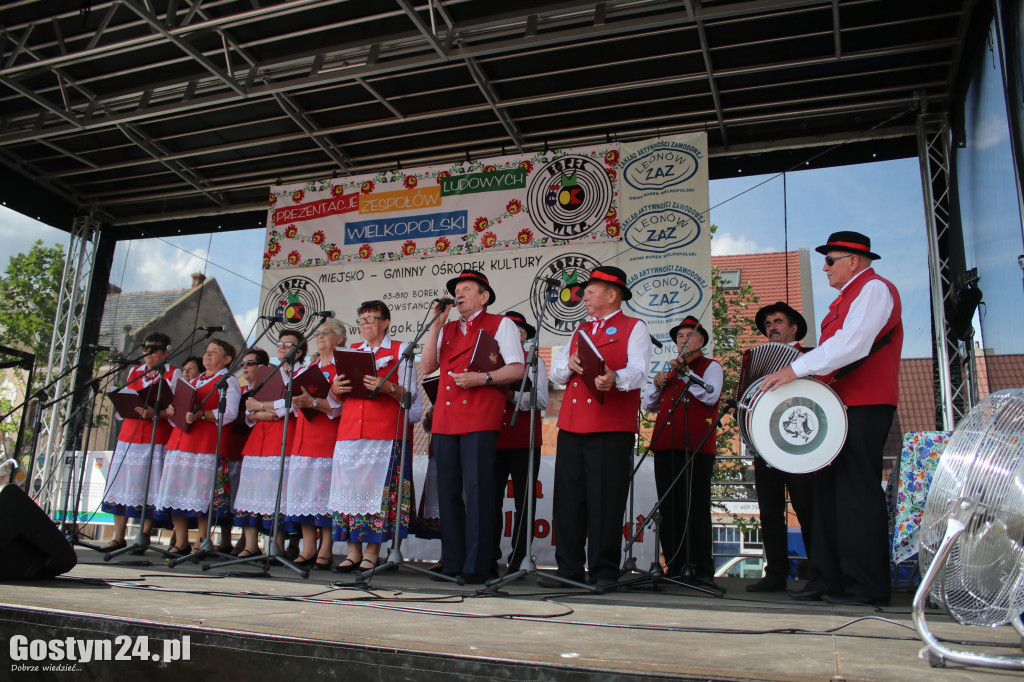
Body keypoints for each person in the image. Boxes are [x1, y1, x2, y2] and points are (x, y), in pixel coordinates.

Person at [760, 231, 902, 606]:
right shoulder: (845, 298)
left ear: (853, 260)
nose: (824, 267)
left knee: (856, 494)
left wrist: (795, 369)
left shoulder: (873, 289)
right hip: (837, 407)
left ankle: (866, 585)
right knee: (826, 496)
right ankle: (828, 579)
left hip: (865, 403)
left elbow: (853, 344)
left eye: (830, 260)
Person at [544, 266, 651, 588]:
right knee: (568, 499)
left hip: (610, 426)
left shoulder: (634, 327)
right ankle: (568, 570)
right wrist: (570, 363)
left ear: (611, 294)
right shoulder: (580, 331)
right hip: (573, 424)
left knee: (606, 500)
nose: (584, 297)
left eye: (590, 292)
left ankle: (604, 572)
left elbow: (640, 371)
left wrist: (615, 378)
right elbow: (556, 374)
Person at [420, 269, 525, 583]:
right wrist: (436, 324)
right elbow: (427, 367)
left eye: (467, 289)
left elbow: (517, 369)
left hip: (480, 417)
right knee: (448, 492)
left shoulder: (500, 324)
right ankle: (453, 562)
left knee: (478, 492)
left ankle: (479, 566)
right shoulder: (447, 327)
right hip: (446, 420)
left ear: (484, 296)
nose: (460, 294)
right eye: (457, 290)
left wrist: (483, 379)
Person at [329, 301, 421, 572]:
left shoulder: (401, 350)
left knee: (379, 494)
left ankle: (373, 552)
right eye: (361, 319)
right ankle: (352, 552)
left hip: (384, 432)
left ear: (386, 322)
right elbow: (334, 401)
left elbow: (410, 395)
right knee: (349, 493)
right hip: (349, 433)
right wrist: (334, 388)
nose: (366, 323)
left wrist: (388, 386)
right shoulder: (348, 352)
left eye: (371, 318)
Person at [643, 316, 723, 590]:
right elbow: (649, 406)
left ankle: (700, 568)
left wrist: (685, 372)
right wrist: (657, 383)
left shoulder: (711, 367)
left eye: (690, 336)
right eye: (680, 337)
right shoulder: (672, 371)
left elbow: (711, 395)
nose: (683, 341)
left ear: (701, 342)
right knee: (669, 507)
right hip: (666, 445)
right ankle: (675, 565)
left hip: (696, 448)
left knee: (695, 506)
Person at [745, 302, 815, 593]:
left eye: (777, 322)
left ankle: (820, 573)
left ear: (793, 328)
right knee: (770, 512)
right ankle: (775, 573)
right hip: (766, 444)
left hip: (801, 446)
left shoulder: (810, 357)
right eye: (768, 324)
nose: (771, 327)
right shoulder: (755, 358)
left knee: (808, 510)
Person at [157, 338, 241, 554]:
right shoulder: (193, 382)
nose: (208, 355)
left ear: (227, 359)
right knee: (177, 493)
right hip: (180, 442)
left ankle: (202, 541)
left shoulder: (228, 381)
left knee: (202, 496)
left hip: (205, 444)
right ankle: (181, 541)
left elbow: (229, 413)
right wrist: (172, 411)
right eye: (207, 351)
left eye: (214, 352)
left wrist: (202, 414)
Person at [100, 332, 180, 552]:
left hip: (156, 435)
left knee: (149, 486)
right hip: (129, 434)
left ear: (165, 352)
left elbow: (174, 408)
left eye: (153, 349)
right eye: (145, 349)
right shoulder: (134, 371)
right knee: (122, 484)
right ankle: (118, 536)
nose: (148, 353)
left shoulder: (173, 373)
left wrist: (155, 412)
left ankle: (142, 535)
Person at [234, 330, 307, 559]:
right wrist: (261, 411)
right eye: (280, 344)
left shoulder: (302, 373)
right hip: (257, 440)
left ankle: (277, 546)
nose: (283, 348)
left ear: (300, 351)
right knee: (251, 492)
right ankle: (251, 544)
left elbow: (289, 407)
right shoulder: (267, 374)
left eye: (289, 344)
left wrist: (262, 407)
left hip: (282, 440)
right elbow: (249, 409)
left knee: (277, 496)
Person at [284, 318, 345, 570]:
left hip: (327, 439)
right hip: (303, 437)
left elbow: (339, 408)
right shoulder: (306, 367)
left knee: (324, 497)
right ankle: (308, 547)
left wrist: (314, 403)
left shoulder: (341, 367)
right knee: (303, 496)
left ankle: (326, 548)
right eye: (317, 333)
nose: (319, 337)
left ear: (339, 338)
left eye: (326, 332)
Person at [493, 310, 548, 576]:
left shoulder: (534, 361)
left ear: (524, 336)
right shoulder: (489, 363)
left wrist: (511, 395)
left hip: (525, 440)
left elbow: (541, 400)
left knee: (524, 501)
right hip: (492, 437)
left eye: (517, 331)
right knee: (490, 499)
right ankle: (488, 554)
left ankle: (519, 555)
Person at [219, 347, 269, 555]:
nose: (245, 367)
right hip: (236, 446)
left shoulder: (266, 390)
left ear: (262, 367)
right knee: (231, 497)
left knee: (252, 497)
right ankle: (226, 540)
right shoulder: (239, 391)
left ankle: (246, 542)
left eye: (250, 363)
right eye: (243, 364)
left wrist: (248, 415)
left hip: (258, 447)